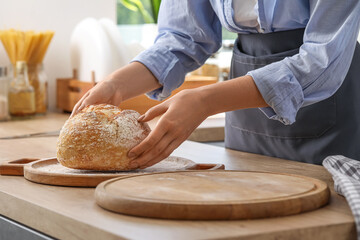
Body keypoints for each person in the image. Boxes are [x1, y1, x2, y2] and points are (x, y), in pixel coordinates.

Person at [71, 0, 360, 168]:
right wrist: (115, 84)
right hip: (243, 114)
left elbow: (322, 60)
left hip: (326, 107)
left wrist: (205, 101)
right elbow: (184, 39)